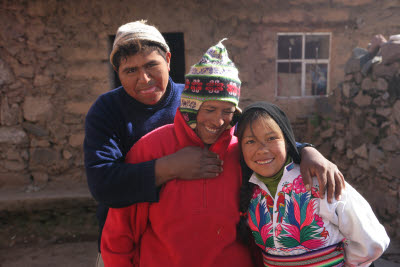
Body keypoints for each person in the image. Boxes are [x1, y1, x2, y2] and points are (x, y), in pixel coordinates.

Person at [84, 20, 344, 265]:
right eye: (131, 70)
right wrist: (171, 167)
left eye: (151, 65)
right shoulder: (114, 115)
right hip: (132, 233)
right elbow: (103, 185)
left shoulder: (204, 98)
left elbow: (258, 141)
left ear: (168, 60)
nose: (144, 79)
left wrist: (304, 150)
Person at [236, 102, 390, 267]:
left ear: (287, 140)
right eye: (251, 141)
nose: (262, 149)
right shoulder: (250, 190)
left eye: (271, 138)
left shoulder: (318, 180)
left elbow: (370, 240)